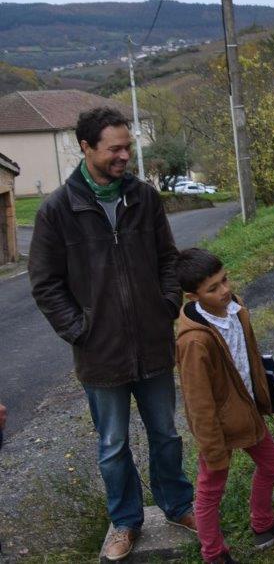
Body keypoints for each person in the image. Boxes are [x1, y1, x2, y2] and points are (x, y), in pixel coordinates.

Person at [29, 107, 195, 561]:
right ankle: (124, 522)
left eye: (128, 146)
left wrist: (166, 306)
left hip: (152, 342)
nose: (125, 156)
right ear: (86, 148)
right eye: (115, 149)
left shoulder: (143, 198)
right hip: (99, 354)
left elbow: (168, 260)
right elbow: (45, 284)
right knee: (113, 443)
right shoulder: (57, 212)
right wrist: (79, 330)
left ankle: (179, 505)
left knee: (166, 433)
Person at [175, 248, 274, 564]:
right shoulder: (194, 342)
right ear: (193, 296)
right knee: (210, 490)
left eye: (224, 280)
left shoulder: (235, 309)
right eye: (213, 288)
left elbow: (249, 357)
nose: (225, 290)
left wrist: (263, 394)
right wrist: (212, 447)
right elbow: (197, 402)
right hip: (219, 427)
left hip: (247, 413)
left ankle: (263, 525)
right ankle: (214, 555)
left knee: (271, 461)